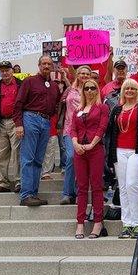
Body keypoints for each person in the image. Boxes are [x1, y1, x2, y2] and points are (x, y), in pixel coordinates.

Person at [106, 79, 138, 239]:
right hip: (119, 151)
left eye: (133, 88)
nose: (130, 90)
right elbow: (110, 132)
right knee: (122, 187)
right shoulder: (116, 109)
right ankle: (126, 224)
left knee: (131, 185)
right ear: (122, 91)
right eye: (127, 88)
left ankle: (136, 223)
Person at [14, 55, 62, 206]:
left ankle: (34, 193)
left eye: (49, 64)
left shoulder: (54, 86)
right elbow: (18, 103)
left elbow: (56, 105)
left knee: (38, 160)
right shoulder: (29, 81)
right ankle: (26, 194)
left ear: (52, 67)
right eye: (44, 63)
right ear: (39, 65)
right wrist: (19, 124)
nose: (46, 66)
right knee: (28, 158)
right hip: (30, 118)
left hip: (46, 122)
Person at [72, 79, 110, 239]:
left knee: (96, 186)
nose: (89, 91)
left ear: (97, 90)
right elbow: (72, 129)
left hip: (95, 149)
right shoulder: (78, 110)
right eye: (86, 88)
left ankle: (98, 222)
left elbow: (102, 127)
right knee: (81, 187)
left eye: (92, 88)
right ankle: (80, 223)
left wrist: (92, 144)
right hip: (79, 150)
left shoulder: (102, 107)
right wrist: (75, 143)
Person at [59, 66, 92, 205]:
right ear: (77, 75)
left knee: (82, 160)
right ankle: (67, 193)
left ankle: (80, 192)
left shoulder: (92, 91)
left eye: (87, 74)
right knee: (71, 157)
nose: (84, 75)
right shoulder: (70, 89)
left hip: (86, 130)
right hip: (69, 129)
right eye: (81, 73)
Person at [0, 61, 23, 193]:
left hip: (16, 122)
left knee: (17, 153)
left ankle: (18, 180)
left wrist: (21, 123)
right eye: (2, 70)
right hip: (1, 122)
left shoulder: (21, 84)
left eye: (7, 70)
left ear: (12, 71)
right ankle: (3, 182)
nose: (5, 73)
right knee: (0, 154)